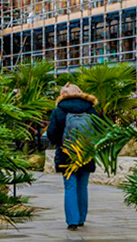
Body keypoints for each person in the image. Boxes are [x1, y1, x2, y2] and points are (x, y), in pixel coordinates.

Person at [45, 83, 99, 231]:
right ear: (80, 92)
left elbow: (51, 133)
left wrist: (60, 143)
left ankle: (72, 221)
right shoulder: (91, 109)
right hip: (86, 153)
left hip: (66, 153)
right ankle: (81, 218)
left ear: (62, 95)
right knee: (82, 187)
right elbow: (99, 130)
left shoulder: (59, 111)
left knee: (70, 186)